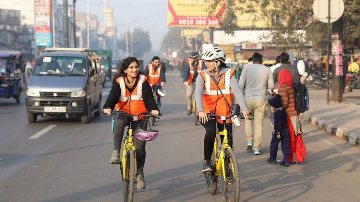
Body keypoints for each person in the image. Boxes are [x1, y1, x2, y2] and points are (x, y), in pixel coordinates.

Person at [103, 57, 160, 190]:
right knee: (119, 121)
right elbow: (113, 96)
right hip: (124, 113)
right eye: (131, 68)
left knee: (140, 148)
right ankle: (116, 151)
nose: (135, 70)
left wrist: (154, 109)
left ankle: (139, 173)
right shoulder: (119, 81)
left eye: (136, 67)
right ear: (125, 70)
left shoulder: (143, 81)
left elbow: (149, 98)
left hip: (140, 116)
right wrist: (108, 106)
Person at [195, 47, 243, 172]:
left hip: (225, 112)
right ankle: (206, 161)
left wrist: (244, 108)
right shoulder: (202, 75)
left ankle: (227, 165)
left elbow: (237, 92)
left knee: (228, 142)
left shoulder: (229, 74)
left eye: (209, 61)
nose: (206, 63)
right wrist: (200, 110)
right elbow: (198, 93)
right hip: (207, 112)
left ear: (217, 62)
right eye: (205, 61)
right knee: (210, 131)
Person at [239, 52, 274, 155]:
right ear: (261, 61)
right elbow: (271, 86)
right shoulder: (267, 70)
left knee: (248, 120)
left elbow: (240, 85)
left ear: (252, 60)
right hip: (261, 100)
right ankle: (257, 148)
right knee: (258, 124)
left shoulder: (246, 68)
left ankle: (249, 141)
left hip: (248, 99)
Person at [277, 69, 306, 164]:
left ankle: (288, 158)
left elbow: (284, 103)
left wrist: (276, 103)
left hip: (288, 117)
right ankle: (300, 157)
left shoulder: (282, 88)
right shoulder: (292, 87)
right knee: (298, 138)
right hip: (295, 116)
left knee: (288, 139)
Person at [267, 94, 290, 167]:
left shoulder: (277, 113)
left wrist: (277, 132)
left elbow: (277, 125)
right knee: (285, 146)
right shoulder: (283, 111)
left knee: (274, 144)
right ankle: (286, 160)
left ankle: (272, 158)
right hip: (286, 131)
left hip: (278, 132)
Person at [183, 51, 205, 115]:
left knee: (199, 96)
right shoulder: (188, 64)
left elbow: (206, 71)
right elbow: (186, 72)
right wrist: (185, 81)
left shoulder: (202, 64)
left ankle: (199, 110)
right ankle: (189, 108)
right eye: (189, 58)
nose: (189, 59)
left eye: (191, 58)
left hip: (200, 83)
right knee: (188, 95)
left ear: (196, 58)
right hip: (191, 82)